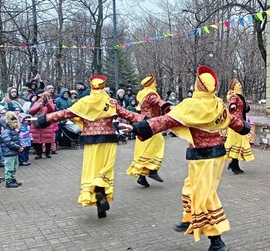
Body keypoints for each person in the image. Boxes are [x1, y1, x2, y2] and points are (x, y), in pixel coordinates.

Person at [123, 66, 249, 251]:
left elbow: (166, 121)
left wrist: (136, 127)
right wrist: (245, 128)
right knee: (190, 188)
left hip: (203, 158)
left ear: (199, 85)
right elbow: (233, 121)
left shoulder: (192, 105)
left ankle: (216, 241)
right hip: (213, 155)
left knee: (204, 197)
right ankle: (189, 219)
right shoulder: (217, 104)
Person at [33, 75, 144, 218]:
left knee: (92, 169)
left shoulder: (84, 102)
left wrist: (43, 120)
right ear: (104, 87)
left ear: (91, 87)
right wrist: (147, 120)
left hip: (91, 143)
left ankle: (97, 197)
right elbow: (129, 115)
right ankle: (100, 192)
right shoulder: (111, 102)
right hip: (108, 140)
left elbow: (64, 113)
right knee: (105, 169)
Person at [126, 75, 171, 187]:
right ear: (151, 84)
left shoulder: (142, 94)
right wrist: (167, 106)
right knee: (157, 144)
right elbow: (157, 101)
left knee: (145, 148)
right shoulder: (151, 94)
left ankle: (142, 176)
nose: (155, 84)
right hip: (151, 124)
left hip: (142, 124)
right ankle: (152, 170)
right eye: (154, 82)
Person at [225, 78, 254, 174]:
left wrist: (247, 107)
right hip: (235, 124)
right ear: (234, 87)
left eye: (240, 84)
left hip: (240, 123)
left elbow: (243, 108)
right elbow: (232, 103)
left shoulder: (240, 96)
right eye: (239, 85)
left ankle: (234, 164)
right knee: (236, 144)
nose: (241, 86)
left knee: (239, 144)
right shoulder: (234, 96)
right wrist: (232, 106)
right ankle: (234, 165)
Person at [29, 91, 56, 159]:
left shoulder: (51, 102)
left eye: (47, 96)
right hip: (38, 122)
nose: (44, 97)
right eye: (44, 96)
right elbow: (31, 111)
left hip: (47, 122)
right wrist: (39, 106)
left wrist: (47, 103)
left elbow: (52, 110)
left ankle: (47, 152)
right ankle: (39, 153)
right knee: (38, 138)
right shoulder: (37, 102)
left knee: (48, 138)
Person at [0, 111, 23, 188]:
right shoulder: (6, 132)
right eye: (14, 122)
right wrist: (18, 147)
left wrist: (20, 146)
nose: (16, 124)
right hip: (9, 153)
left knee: (14, 167)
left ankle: (13, 179)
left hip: (14, 152)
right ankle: (8, 181)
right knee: (9, 167)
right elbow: (8, 142)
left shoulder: (13, 131)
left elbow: (15, 140)